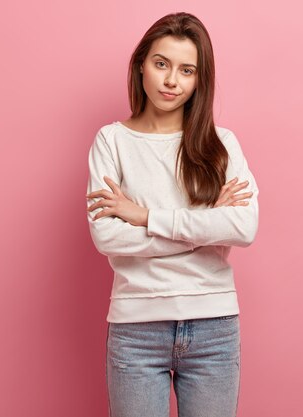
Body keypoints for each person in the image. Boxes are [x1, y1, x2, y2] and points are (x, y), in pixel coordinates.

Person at [85, 12, 259, 417]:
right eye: (161, 64)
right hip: (136, 330)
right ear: (140, 64)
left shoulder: (221, 145)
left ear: (200, 80)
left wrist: (143, 216)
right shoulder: (112, 141)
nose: (171, 81)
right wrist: (206, 225)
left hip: (214, 327)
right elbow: (107, 237)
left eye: (187, 70)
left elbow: (243, 227)